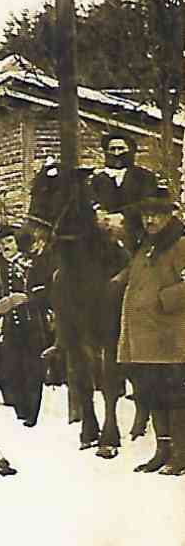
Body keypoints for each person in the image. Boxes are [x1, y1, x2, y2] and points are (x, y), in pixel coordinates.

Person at [114, 183, 185, 475]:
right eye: (146, 215)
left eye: (157, 215)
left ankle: (181, 454)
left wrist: (163, 300)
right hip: (144, 338)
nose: (150, 220)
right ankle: (162, 451)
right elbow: (134, 276)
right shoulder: (146, 246)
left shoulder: (181, 243)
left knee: (176, 397)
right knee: (152, 394)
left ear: (170, 215)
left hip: (172, 337)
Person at [0, 226, 46, 426]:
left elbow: (46, 294)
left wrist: (26, 298)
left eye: (9, 242)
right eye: (2, 244)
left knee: (32, 371)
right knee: (11, 371)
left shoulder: (33, 265)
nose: (6, 246)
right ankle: (21, 409)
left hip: (32, 326)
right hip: (11, 329)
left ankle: (32, 413)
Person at [90, 132, 161, 251]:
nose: (117, 153)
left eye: (121, 148)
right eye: (112, 149)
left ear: (131, 151)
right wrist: (99, 213)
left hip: (136, 231)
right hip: (104, 234)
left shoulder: (144, 176)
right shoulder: (98, 179)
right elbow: (93, 201)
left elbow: (148, 202)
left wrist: (123, 215)